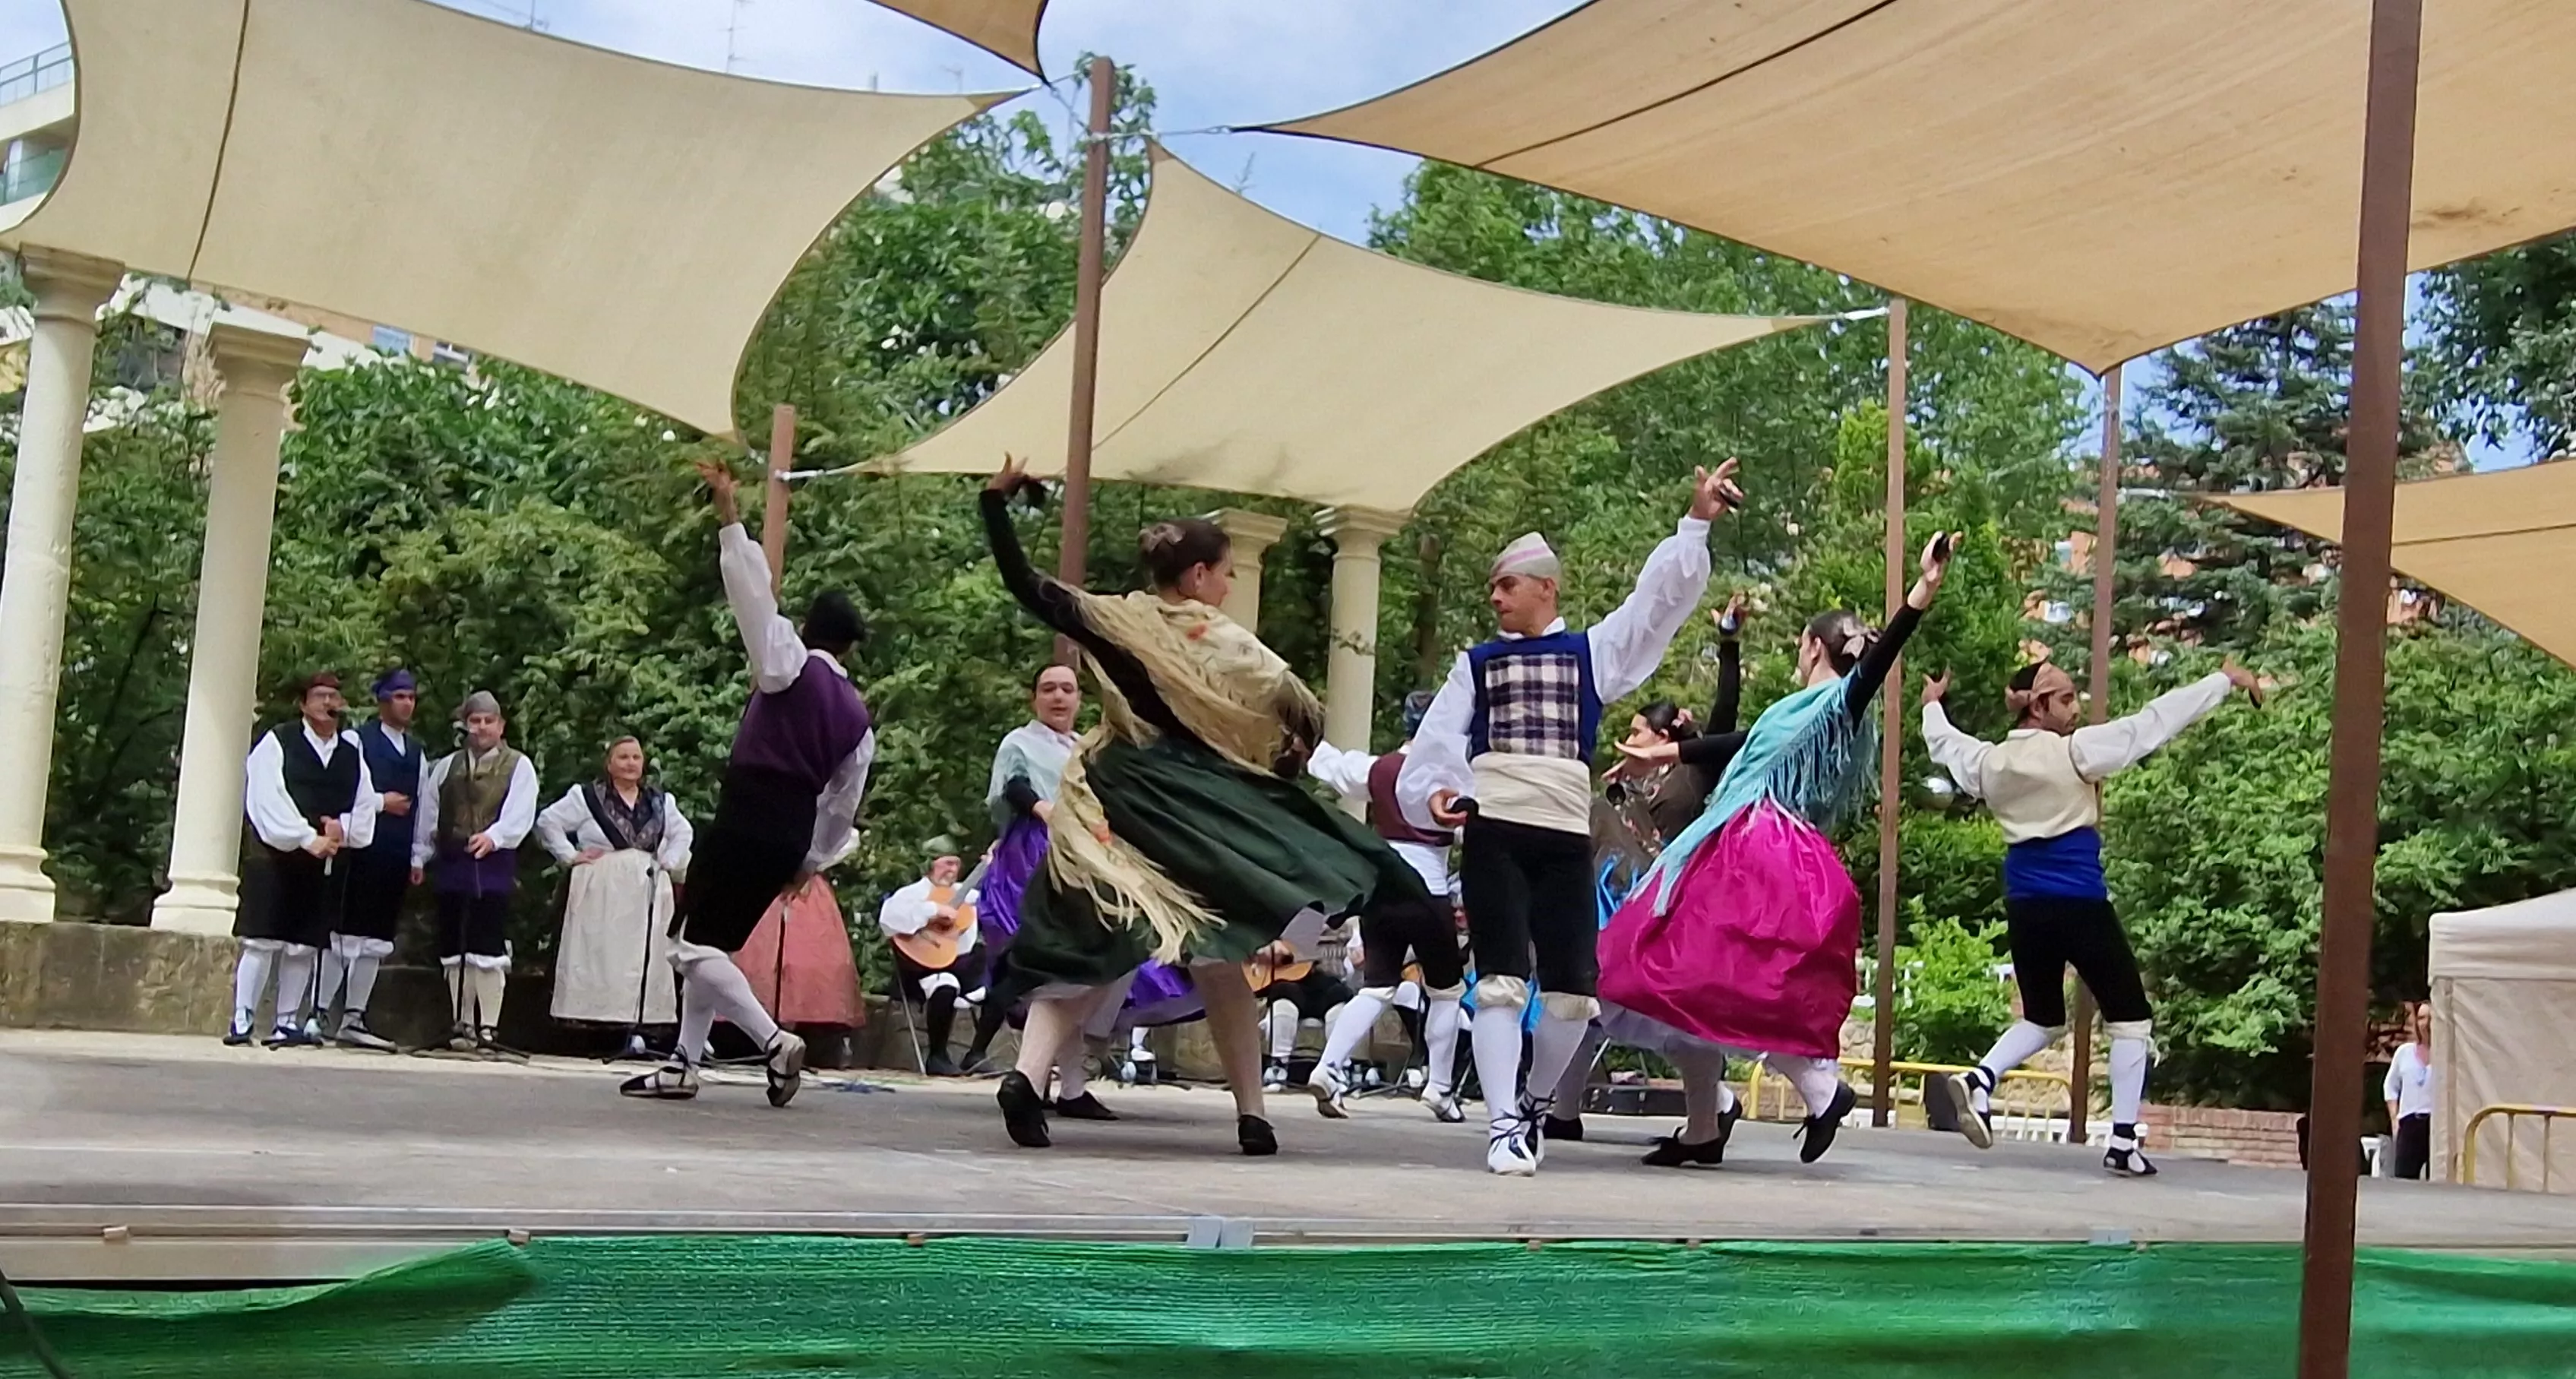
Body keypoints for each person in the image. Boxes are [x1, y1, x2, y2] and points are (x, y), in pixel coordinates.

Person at [979, 454, 1430, 1156]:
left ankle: (1027, 1075)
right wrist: (1279, 762)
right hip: (1187, 800)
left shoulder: (1112, 617)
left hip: (1105, 793)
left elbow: (1025, 584)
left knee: (1087, 945)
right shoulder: (1224, 640)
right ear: (1197, 577)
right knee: (1221, 955)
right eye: (1225, 573)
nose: (1226, 583)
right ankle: (1252, 1113)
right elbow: (1298, 715)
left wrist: (994, 506)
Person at [1399, 460, 1739, 1175]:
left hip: (1562, 839)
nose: (1494, 597)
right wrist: (1435, 794)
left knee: (1572, 995)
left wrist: (1695, 522)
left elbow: (1655, 607)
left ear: (1545, 587)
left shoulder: (1591, 653)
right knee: (1496, 980)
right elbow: (1434, 748)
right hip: (1494, 831)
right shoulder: (1477, 664)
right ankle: (1499, 1124)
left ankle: (1529, 1101)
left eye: (1506, 584)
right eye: (1492, 586)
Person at [1601, 533, 1961, 1167]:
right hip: (1750, 847)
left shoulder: (1838, 703)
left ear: (1812, 646)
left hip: (1752, 850)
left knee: (1671, 967)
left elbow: (1873, 670)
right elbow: (1740, 740)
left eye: (1800, 644)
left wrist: (1921, 592)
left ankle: (1814, 1090)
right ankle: (1708, 1126)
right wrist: (1664, 751)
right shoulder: (1797, 710)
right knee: (1689, 980)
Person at [1917, 653, 2259, 1177]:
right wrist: (2221, 681)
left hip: (2024, 904)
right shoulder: (2075, 753)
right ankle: (2122, 1140)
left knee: (2041, 1016)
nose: (2075, 709)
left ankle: (1981, 1078)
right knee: (2130, 1015)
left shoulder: (1988, 763)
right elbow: (2151, 724)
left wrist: (1931, 706)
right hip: (2077, 899)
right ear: (2038, 707)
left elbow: (1944, 743)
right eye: (2066, 699)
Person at [621, 459, 873, 1108]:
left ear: (811, 631)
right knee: (714, 944)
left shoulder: (787, 664)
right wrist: (810, 861)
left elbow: (753, 600)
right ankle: (683, 1062)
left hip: (747, 811)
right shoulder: (857, 718)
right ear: (851, 648)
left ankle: (770, 1039)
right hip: (791, 831)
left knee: (686, 943)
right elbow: (843, 805)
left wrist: (729, 516)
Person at [1557, 598, 1749, 1149]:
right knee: (1586, 1001)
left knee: (1671, 1012)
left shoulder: (1693, 772)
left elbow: (1727, 715)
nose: (1633, 739)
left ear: (1670, 733)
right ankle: (1563, 1112)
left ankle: (1713, 1108)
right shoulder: (1624, 787)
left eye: (1642, 731)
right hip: (1617, 909)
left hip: (1671, 906)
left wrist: (1728, 642)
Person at [1303, 691, 1471, 1122]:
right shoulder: (1452, 774)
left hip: (1381, 889)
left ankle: (1327, 1067)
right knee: (1446, 991)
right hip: (1428, 888)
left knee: (1376, 986)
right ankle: (1439, 1086)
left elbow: (1331, 764)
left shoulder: (1377, 768)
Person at [229, 673, 380, 1048]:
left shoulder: (351, 752)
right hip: (275, 857)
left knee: (303, 945)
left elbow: (364, 804)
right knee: (262, 939)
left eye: (334, 696)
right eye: (320, 696)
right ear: (304, 704)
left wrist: (342, 829)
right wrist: (304, 836)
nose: (329, 703)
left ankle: (286, 1021)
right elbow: (266, 798)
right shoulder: (277, 742)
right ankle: (242, 1018)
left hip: (322, 861)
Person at [958, 663, 1083, 1073]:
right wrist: (1042, 808)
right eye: (1049, 689)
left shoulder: (1085, 749)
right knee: (1030, 953)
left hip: (1080, 853)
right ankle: (1022, 1067)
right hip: (1033, 852)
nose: (1058, 696)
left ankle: (1065, 1078)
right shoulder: (1020, 742)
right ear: (1035, 698)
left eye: (1067, 689)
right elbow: (1012, 786)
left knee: (1074, 964)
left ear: (1079, 700)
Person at [536, 737, 694, 1058]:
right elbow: (547, 822)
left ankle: (639, 1029)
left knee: (642, 958)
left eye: (636, 757)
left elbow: (683, 832)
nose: (631, 763)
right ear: (609, 763)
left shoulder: (661, 801)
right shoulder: (587, 797)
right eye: (623, 757)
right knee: (602, 957)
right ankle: (601, 1032)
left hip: (646, 887)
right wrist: (570, 855)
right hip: (602, 886)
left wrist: (670, 860)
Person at [412, 691, 539, 1052]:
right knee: (455, 945)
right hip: (453, 861)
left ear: (501, 725)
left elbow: (520, 812)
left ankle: (489, 1027)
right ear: (466, 725)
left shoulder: (518, 765)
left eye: (488, 721)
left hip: (493, 862)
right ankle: (462, 1023)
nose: (481, 728)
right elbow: (428, 812)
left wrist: (495, 837)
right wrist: (419, 856)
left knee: (488, 944)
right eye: (475, 721)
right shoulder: (447, 766)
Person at [318, 667, 420, 1052]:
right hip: (359, 850)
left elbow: (422, 805)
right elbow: (345, 790)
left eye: (410, 697)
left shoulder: (416, 751)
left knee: (377, 939)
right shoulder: (356, 740)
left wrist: (417, 855)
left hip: (394, 854)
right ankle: (321, 1012)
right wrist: (380, 802)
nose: (406, 704)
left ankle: (355, 1016)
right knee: (344, 935)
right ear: (383, 701)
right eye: (399, 697)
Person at [877, 851, 985, 1077]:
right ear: (930, 864)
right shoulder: (912, 893)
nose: (953, 870)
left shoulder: (964, 895)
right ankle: (937, 1056)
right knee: (945, 985)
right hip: (917, 970)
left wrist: (995, 865)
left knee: (998, 975)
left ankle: (978, 1054)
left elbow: (994, 899)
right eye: (947, 863)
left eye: (957, 865)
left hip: (958, 966)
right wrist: (933, 910)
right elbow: (888, 921)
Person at [1248, 938, 1354, 1088]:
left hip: (1330, 981)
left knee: (1339, 996)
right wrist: (1271, 947)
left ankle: (1337, 1067)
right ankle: (1279, 1065)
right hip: (1290, 980)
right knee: (1282, 993)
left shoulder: (1348, 923)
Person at [2385, 1001, 2434, 1181]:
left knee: (2435, 1179)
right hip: (2410, 1121)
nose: (2426, 1024)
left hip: (2435, 1124)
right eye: (2421, 1018)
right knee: (2403, 1177)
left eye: (2431, 1018)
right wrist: (2394, 1118)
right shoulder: (2404, 1052)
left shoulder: (2446, 1056)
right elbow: (2390, 1086)